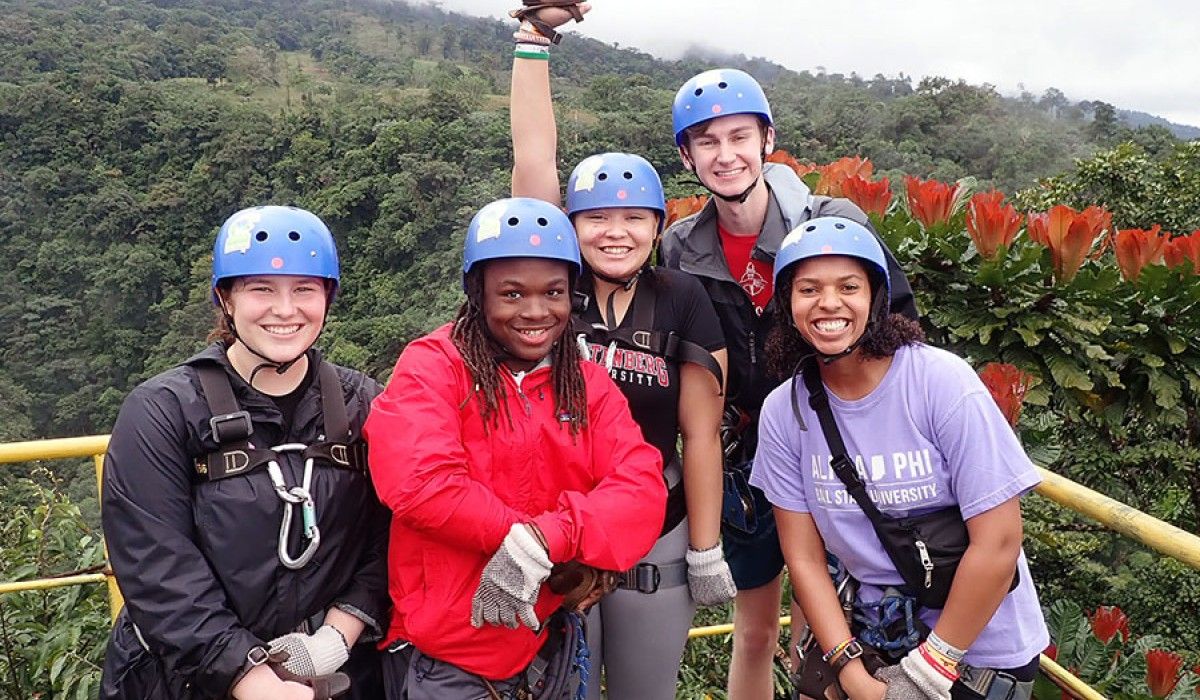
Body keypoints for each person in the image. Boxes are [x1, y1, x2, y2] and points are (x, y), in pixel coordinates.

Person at [661, 67, 919, 699]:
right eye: (708, 142)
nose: (726, 155)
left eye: (739, 136)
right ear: (687, 155)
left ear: (767, 139)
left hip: (832, 448)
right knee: (752, 630)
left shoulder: (830, 219)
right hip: (746, 458)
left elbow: (898, 322)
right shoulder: (680, 248)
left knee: (824, 631)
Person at [507, 7, 734, 698]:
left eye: (634, 217)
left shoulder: (682, 297)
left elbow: (700, 432)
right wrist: (533, 41)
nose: (615, 232)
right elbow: (534, 161)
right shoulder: (551, 293)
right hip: (551, 529)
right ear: (569, 226)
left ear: (657, 226)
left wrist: (704, 544)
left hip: (653, 532)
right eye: (596, 218)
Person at [365, 196, 668, 699]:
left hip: (548, 649)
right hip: (450, 660)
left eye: (553, 293)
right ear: (477, 294)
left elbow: (639, 488)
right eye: (511, 294)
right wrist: (534, 542)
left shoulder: (585, 383)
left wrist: (546, 539)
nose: (535, 312)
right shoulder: (433, 367)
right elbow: (420, 484)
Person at [751, 216, 1050, 700]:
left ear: (876, 298)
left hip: (979, 652)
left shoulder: (939, 383)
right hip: (874, 644)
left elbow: (999, 541)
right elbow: (802, 557)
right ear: (787, 305)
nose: (829, 303)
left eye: (849, 286)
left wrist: (928, 672)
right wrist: (849, 668)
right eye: (808, 290)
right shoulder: (785, 411)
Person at [100, 205, 389, 700]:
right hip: (184, 680)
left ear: (328, 298)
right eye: (261, 290)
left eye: (304, 290)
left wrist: (337, 637)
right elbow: (157, 562)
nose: (285, 310)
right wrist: (246, 676)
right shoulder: (163, 412)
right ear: (225, 299)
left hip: (328, 672)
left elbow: (389, 535)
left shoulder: (364, 404)